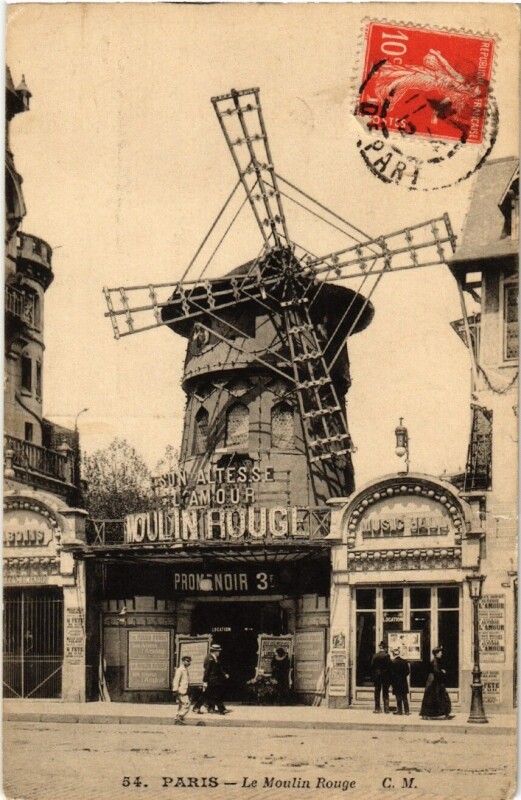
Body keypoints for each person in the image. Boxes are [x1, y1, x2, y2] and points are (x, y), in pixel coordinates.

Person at [420, 645, 452, 719]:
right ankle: (429, 714)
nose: (442, 654)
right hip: (434, 682)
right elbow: (436, 671)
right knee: (436, 698)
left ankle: (430, 714)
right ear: (436, 653)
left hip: (434, 681)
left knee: (435, 698)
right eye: (440, 652)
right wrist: (442, 672)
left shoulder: (436, 660)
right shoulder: (435, 661)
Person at [201, 643, 230, 715]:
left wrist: (224, 674)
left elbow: (219, 668)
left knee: (209, 694)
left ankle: (199, 707)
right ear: (214, 651)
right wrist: (205, 681)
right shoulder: (210, 658)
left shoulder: (214, 658)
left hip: (214, 680)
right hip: (212, 680)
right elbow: (207, 670)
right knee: (216, 694)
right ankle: (222, 709)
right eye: (218, 651)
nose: (219, 653)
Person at [371, 640, 392, 714]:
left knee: (377, 692)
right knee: (385, 693)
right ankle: (386, 709)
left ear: (379, 647)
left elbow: (372, 666)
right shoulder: (387, 656)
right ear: (385, 647)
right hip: (385, 677)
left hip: (377, 677)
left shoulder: (375, 655)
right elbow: (390, 667)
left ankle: (377, 709)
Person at [172, 655, 192, 725]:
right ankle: (179, 717)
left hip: (184, 690)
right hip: (181, 690)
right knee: (187, 704)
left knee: (181, 705)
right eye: (187, 661)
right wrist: (175, 690)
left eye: (189, 661)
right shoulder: (180, 670)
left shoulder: (185, 670)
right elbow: (176, 680)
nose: (189, 663)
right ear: (183, 661)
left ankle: (178, 718)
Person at [391, 647, 410, 715]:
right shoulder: (404, 662)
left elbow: (391, 673)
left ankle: (400, 711)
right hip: (403, 681)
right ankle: (407, 711)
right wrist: (403, 676)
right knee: (404, 697)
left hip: (396, 682)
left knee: (398, 697)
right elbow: (407, 672)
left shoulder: (393, 663)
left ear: (393, 654)